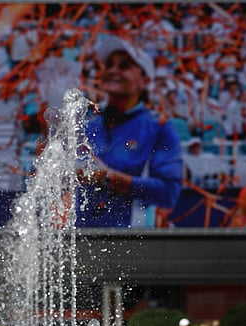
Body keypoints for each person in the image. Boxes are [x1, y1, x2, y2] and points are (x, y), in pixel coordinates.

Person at [77, 35, 183, 228]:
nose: (113, 70)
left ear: (145, 80)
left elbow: (169, 193)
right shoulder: (88, 127)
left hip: (131, 243)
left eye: (124, 66)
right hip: (85, 241)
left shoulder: (159, 127)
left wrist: (107, 177)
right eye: (109, 65)